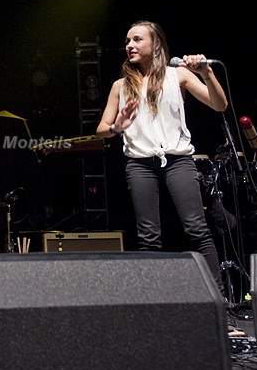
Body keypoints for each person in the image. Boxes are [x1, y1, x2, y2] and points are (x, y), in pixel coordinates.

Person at [96, 20, 228, 298]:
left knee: (196, 229)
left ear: (155, 44)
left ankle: (217, 302)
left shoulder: (177, 75)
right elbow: (101, 130)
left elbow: (219, 105)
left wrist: (206, 73)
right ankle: (154, 302)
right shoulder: (121, 85)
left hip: (177, 160)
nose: (130, 45)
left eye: (137, 39)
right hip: (139, 164)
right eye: (128, 41)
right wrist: (116, 127)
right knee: (148, 235)